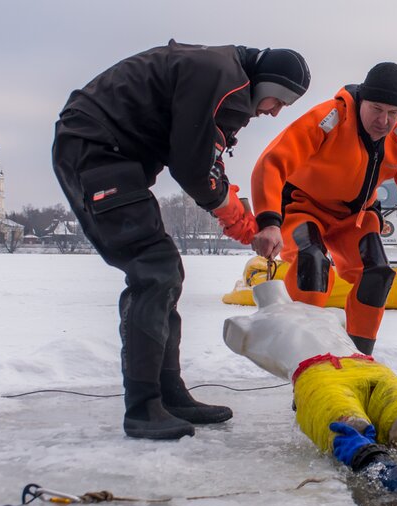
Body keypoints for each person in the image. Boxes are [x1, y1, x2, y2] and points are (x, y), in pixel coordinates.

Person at [52, 40, 311, 440]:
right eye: (279, 100)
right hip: (95, 150)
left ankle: (168, 393)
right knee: (154, 271)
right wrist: (239, 220)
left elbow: (205, 157)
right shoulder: (224, 79)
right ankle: (143, 406)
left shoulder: (221, 74)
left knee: (164, 270)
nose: (275, 111)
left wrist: (242, 220)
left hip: (108, 150)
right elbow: (193, 170)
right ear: (267, 83)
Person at [249, 62, 397, 355]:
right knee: (312, 263)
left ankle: (360, 360)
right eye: (376, 109)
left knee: (377, 274)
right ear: (362, 101)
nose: (384, 121)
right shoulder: (329, 119)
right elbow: (271, 162)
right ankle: (306, 361)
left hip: (354, 217)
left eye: (393, 113)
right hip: (302, 207)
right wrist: (269, 221)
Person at [223, 280, 397, 452]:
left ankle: (360, 441)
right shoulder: (330, 312)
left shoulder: (244, 324)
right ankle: (394, 417)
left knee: (341, 422)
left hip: (318, 373)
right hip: (367, 365)